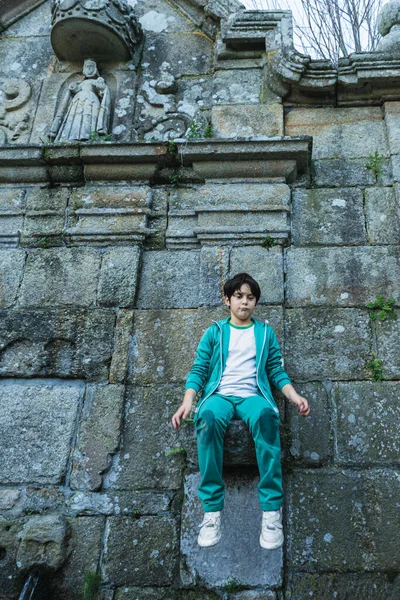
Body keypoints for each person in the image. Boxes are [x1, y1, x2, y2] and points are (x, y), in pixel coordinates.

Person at [172, 272, 310, 549]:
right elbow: (198, 370)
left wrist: (294, 396)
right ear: (227, 300)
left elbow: (275, 371)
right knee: (207, 418)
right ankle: (211, 512)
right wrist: (188, 401)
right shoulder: (215, 332)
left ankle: (271, 513)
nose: (244, 302)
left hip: (253, 396)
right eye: (238, 296)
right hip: (219, 395)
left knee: (267, 416)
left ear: (255, 302)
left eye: (250, 297)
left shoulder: (264, 333)